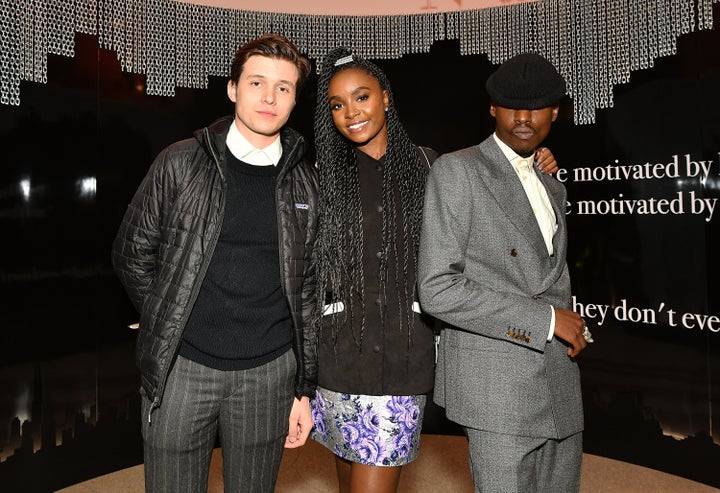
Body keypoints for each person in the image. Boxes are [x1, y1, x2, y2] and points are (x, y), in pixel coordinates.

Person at [309, 48, 560, 493]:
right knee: (348, 481)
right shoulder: (322, 175)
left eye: (361, 96)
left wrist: (533, 164)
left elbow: (490, 206)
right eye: (337, 104)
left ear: (386, 97)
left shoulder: (432, 167)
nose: (351, 112)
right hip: (339, 359)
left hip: (404, 359)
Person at [111, 34, 318, 493]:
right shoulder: (180, 163)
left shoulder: (307, 183)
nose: (269, 97)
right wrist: (175, 317)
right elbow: (131, 254)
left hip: (269, 373)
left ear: (294, 99)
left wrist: (304, 387)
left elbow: (306, 289)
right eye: (257, 83)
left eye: (284, 88)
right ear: (232, 89)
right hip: (183, 367)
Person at [417, 52, 591, 493]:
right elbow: (437, 288)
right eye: (512, 105)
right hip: (495, 387)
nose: (524, 117)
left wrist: (568, 325)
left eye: (536, 106)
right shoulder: (457, 170)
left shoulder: (553, 184)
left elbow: (549, 278)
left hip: (559, 380)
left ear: (555, 111)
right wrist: (548, 321)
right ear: (493, 108)